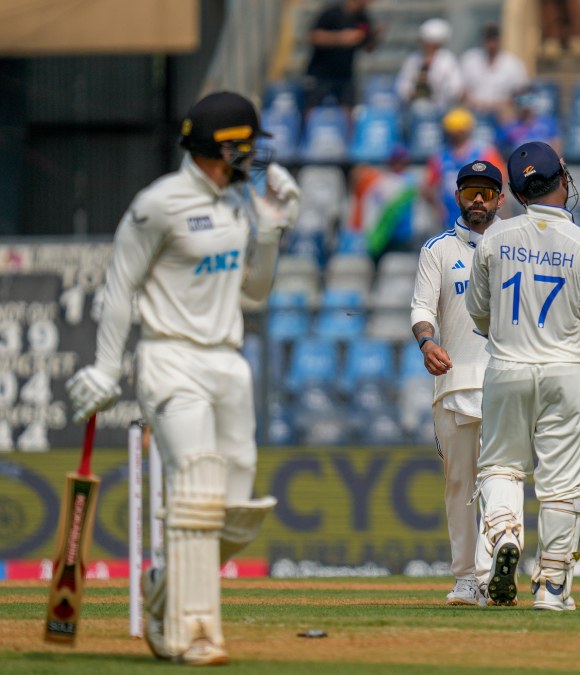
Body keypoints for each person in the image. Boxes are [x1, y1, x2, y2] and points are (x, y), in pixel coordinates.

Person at [65, 92, 299, 663]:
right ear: (215, 148)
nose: (252, 156)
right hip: (171, 360)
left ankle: (164, 588)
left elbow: (255, 291)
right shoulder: (158, 205)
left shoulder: (237, 203)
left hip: (228, 363)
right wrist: (104, 364)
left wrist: (268, 234)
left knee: (237, 508)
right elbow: (121, 287)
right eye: (243, 145)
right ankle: (191, 633)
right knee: (195, 485)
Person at [465, 141, 580, 610]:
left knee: (500, 465)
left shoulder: (493, 239)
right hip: (566, 371)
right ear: (562, 181)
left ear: (517, 193)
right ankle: (553, 584)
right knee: (562, 480)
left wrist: (504, 332)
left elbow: (477, 312)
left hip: (506, 366)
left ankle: (503, 536)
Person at [411, 160, 506, 606]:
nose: (479, 200)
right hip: (453, 382)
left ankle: (491, 574)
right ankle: (467, 578)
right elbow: (421, 308)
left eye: (487, 192)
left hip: (507, 382)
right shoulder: (438, 249)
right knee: (459, 485)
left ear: (501, 198)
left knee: (498, 479)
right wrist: (427, 342)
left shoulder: (516, 243)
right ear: (458, 197)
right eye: (471, 192)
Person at [424, 108, 504, 229]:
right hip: (449, 217)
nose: (457, 135)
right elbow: (428, 187)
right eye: (454, 131)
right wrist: (438, 207)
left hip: (481, 214)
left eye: (460, 131)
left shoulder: (485, 152)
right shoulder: (439, 156)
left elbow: (501, 181)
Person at [304, 0, 379, 108]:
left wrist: (374, 38)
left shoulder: (363, 18)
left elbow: (367, 47)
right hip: (321, 74)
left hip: (345, 75)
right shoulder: (332, 13)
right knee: (313, 109)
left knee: (347, 112)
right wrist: (341, 38)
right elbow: (313, 37)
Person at [460, 22, 531, 117]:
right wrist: (475, 103)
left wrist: (499, 105)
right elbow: (461, 91)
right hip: (474, 112)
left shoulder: (513, 63)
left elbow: (522, 93)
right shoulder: (470, 59)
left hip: (503, 114)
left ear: (500, 39)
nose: (491, 43)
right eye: (488, 38)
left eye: (494, 38)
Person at [396, 18, 464, 110]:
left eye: (428, 41)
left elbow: (455, 88)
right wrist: (411, 93)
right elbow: (403, 84)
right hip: (414, 109)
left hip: (442, 109)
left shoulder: (448, 60)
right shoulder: (413, 59)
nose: (424, 44)